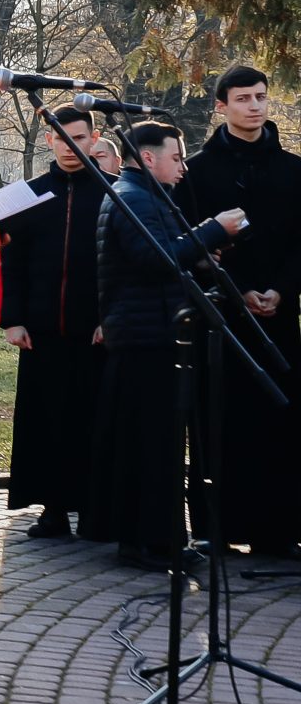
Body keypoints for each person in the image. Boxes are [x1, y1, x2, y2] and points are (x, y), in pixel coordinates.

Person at [88, 120, 247, 570]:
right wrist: (213, 230)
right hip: (146, 339)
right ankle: (153, 544)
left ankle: (153, 539)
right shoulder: (133, 197)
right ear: (148, 157)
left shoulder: (144, 195)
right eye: (175, 157)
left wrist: (198, 249)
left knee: (154, 444)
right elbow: (155, 260)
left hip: (149, 333)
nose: (183, 166)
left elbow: (162, 254)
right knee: (154, 447)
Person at [174, 64, 301, 558]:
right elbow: (191, 243)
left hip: (279, 315)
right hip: (221, 315)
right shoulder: (199, 172)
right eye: (243, 98)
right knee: (218, 419)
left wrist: (280, 291)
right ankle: (215, 528)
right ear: (221, 106)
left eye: (261, 96)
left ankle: (279, 531)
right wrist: (242, 289)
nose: (255, 105)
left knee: (281, 420)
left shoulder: (293, 170)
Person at [0, 104, 111, 539]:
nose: (70, 147)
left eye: (79, 138)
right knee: (47, 422)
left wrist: (110, 318)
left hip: (96, 331)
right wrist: (13, 320)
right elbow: (10, 263)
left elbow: (119, 266)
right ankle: (53, 510)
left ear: (93, 139)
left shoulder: (113, 193)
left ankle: (96, 508)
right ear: (49, 139)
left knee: (93, 419)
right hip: (41, 333)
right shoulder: (26, 196)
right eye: (61, 138)